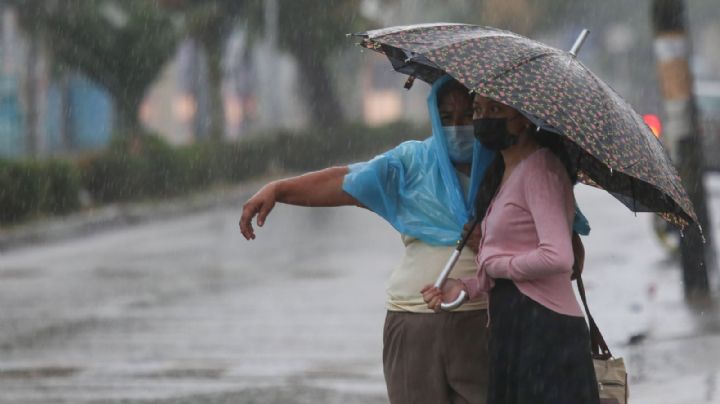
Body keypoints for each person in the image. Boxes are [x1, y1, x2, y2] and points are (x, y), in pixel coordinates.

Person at [240, 76, 495, 404]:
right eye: (447, 118)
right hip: (412, 322)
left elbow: (556, 249)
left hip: (482, 320)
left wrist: (489, 241)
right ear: (433, 116)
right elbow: (345, 182)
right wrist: (279, 189)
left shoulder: (507, 167)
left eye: (468, 116)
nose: (458, 127)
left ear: (484, 114)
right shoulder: (411, 163)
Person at [422, 94, 600, 404]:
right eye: (478, 109)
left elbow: (558, 256)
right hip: (516, 328)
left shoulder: (540, 169)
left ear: (526, 118)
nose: (482, 118)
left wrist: (495, 265)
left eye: (496, 109)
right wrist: (466, 287)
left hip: (544, 329)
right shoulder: (503, 173)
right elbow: (509, 256)